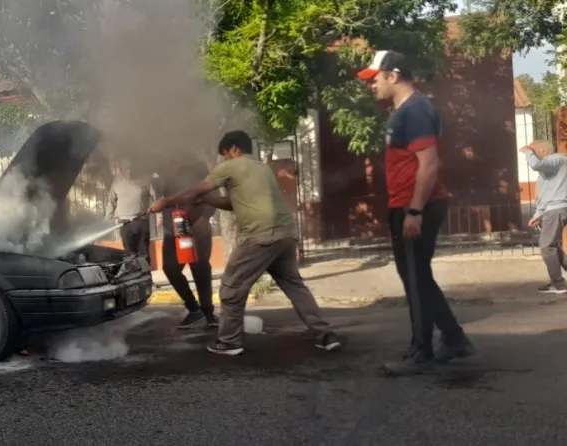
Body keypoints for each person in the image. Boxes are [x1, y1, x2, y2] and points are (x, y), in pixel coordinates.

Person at [149, 130, 341, 356]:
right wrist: (206, 199)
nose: (224, 160)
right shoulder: (262, 167)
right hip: (286, 233)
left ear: (234, 149)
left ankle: (229, 341)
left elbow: (195, 191)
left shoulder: (232, 165)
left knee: (231, 287)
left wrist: (166, 201)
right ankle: (325, 335)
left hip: (259, 235)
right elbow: (232, 203)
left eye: (225, 154)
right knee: (296, 287)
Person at [357, 49, 475, 376]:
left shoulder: (417, 110)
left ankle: (421, 352)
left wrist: (414, 211)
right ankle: (454, 339)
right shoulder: (404, 112)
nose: (372, 86)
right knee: (418, 276)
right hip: (406, 206)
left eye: (375, 79)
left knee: (415, 278)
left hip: (416, 207)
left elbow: (429, 162)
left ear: (393, 75)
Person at [152, 160, 218, 329]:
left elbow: (212, 195)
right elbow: (162, 198)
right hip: (172, 228)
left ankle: (208, 313)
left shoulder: (196, 165)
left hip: (197, 226)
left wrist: (204, 218)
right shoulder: (162, 172)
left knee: (200, 267)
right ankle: (194, 310)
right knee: (170, 269)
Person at [521, 140, 567, 293]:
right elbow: (545, 194)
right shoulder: (549, 169)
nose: (532, 154)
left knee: (547, 246)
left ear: (544, 150)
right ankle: (558, 282)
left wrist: (527, 151)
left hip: (556, 209)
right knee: (556, 247)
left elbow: (535, 165)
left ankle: (558, 284)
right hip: (553, 209)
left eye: (534, 150)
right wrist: (538, 214)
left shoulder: (557, 159)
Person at [106, 160, 154, 259]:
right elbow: (111, 201)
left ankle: (145, 273)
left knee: (144, 254)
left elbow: (155, 197)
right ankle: (134, 273)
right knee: (129, 255)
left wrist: (159, 215)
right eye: (125, 168)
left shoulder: (145, 179)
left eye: (129, 168)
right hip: (124, 224)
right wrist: (107, 218)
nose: (128, 171)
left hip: (141, 221)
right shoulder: (116, 181)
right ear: (120, 168)